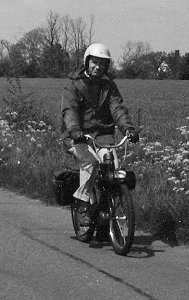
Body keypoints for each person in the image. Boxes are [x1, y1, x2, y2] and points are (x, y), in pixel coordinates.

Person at [61, 43, 139, 227]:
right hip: (78, 135)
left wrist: (128, 129)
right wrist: (75, 130)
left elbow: (117, 108)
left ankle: (106, 213)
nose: (98, 67)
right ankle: (82, 206)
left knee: (113, 167)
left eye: (102, 64)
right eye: (94, 62)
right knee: (91, 162)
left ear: (107, 66)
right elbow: (69, 110)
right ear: (87, 62)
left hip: (103, 135)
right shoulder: (74, 84)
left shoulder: (108, 85)